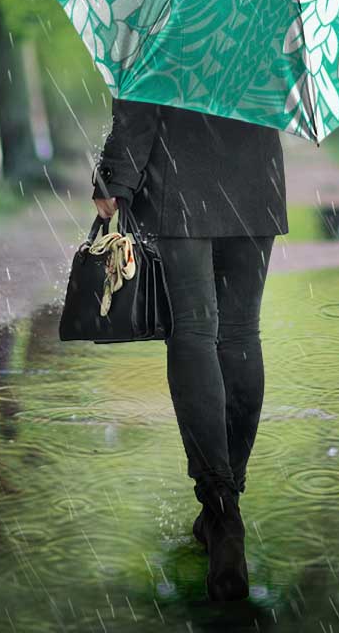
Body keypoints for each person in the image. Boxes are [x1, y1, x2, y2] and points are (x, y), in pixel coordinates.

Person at [91, 95, 288, 602]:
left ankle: (220, 508)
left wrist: (115, 175)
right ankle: (228, 505)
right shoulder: (275, 14)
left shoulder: (163, 11)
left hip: (181, 174)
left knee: (194, 332)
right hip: (255, 173)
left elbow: (143, 86)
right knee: (242, 332)